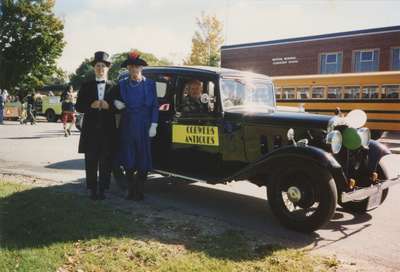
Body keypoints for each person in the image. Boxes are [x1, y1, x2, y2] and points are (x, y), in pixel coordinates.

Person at [112, 51, 159, 201]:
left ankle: (140, 190)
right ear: (128, 69)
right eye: (131, 68)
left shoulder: (150, 84)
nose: (134, 71)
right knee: (128, 159)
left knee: (143, 159)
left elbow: (155, 106)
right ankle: (130, 190)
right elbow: (110, 96)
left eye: (136, 68)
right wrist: (115, 103)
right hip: (127, 125)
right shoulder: (121, 84)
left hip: (144, 126)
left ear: (141, 69)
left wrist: (154, 124)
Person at [75, 51, 116, 200]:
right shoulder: (86, 86)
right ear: (94, 68)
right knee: (91, 160)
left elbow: (120, 106)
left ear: (107, 68)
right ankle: (92, 188)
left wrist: (109, 106)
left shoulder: (114, 87)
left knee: (106, 160)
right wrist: (90, 105)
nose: (100, 69)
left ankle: (103, 189)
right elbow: (78, 106)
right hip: (90, 130)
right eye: (98, 66)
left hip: (107, 130)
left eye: (103, 66)